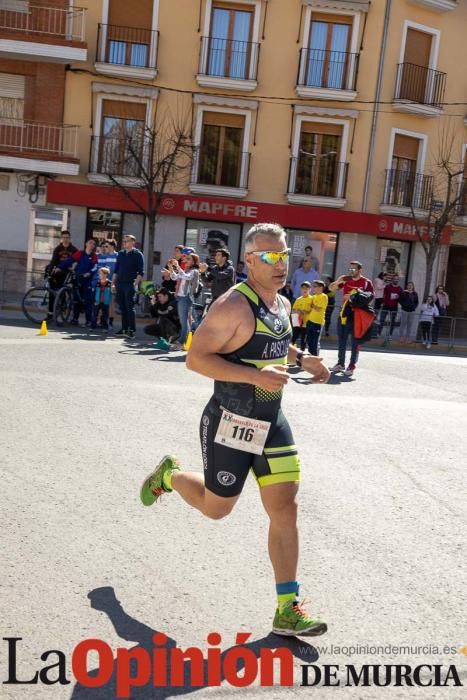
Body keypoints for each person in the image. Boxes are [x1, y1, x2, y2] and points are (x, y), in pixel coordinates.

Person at [140, 222, 330, 637]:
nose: (281, 264)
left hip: (272, 422)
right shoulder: (231, 306)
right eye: (270, 257)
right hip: (231, 422)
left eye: (284, 256)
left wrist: (304, 360)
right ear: (249, 260)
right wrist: (253, 378)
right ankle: (169, 475)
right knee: (216, 508)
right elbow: (196, 358)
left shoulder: (281, 303)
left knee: (285, 507)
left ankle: (287, 607)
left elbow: (275, 345)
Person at [329, 261, 374, 377]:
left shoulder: (366, 282)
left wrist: (353, 297)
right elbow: (331, 289)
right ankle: (340, 363)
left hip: (357, 315)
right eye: (350, 269)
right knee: (342, 340)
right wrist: (338, 281)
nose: (351, 271)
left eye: (354, 269)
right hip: (344, 313)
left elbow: (370, 297)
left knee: (355, 342)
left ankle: (351, 365)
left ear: (360, 270)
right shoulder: (346, 280)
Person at [58, 238, 98, 326]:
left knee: (88, 300)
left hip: (87, 280)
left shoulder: (94, 256)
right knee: (76, 299)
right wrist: (60, 267)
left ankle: (88, 321)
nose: (91, 245)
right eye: (90, 243)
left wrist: (89, 273)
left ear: (94, 246)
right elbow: (69, 260)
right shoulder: (80, 253)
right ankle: (75, 319)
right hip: (78, 278)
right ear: (86, 244)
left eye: (93, 244)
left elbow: (95, 267)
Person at [112, 234, 145, 339]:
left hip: (130, 284)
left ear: (133, 242)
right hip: (120, 283)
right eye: (124, 241)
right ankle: (124, 329)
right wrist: (113, 283)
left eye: (127, 241)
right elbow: (116, 270)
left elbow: (141, 272)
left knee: (129, 307)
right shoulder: (120, 254)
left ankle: (131, 330)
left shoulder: (138, 254)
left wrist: (135, 284)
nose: (124, 243)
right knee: (122, 307)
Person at [168, 252, 200, 350]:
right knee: (185, 321)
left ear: (194, 262)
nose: (186, 260)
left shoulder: (194, 271)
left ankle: (181, 342)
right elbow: (174, 277)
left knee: (184, 321)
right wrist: (171, 268)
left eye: (189, 259)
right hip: (181, 297)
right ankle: (185, 342)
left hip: (186, 298)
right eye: (187, 259)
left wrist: (177, 266)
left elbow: (186, 277)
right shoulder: (186, 270)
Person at [48, 230, 77, 317]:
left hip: (66, 272)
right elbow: (53, 261)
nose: (65, 239)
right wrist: (51, 270)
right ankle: (50, 313)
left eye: (67, 238)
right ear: (61, 238)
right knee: (51, 290)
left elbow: (78, 260)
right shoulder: (57, 249)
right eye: (64, 238)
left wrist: (73, 268)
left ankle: (63, 305)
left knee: (62, 288)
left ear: (70, 238)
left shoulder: (74, 249)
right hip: (57, 271)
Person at [306, 281, 328, 357]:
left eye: (315, 286)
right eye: (313, 286)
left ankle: (315, 359)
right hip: (310, 321)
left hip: (318, 322)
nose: (313, 288)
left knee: (315, 342)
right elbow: (309, 307)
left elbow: (318, 309)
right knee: (309, 341)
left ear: (321, 288)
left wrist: (312, 305)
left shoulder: (324, 296)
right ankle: (310, 357)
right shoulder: (313, 297)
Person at [292, 281, 313, 350]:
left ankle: (302, 354)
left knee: (304, 340)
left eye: (307, 288)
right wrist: (299, 312)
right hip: (297, 321)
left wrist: (306, 312)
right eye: (303, 288)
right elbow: (293, 310)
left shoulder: (312, 299)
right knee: (294, 337)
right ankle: (291, 353)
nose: (305, 289)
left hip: (307, 322)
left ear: (310, 289)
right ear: (301, 289)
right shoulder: (298, 299)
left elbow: (313, 310)